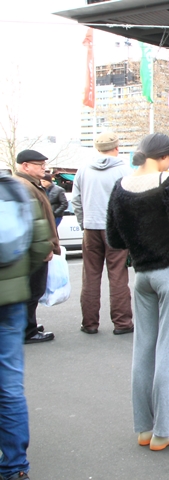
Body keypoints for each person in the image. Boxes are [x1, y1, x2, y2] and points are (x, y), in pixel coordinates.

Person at [106, 133, 169, 450]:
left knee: (143, 350)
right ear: (163, 157)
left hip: (143, 274)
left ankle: (144, 428)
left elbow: (116, 240)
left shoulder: (120, 188)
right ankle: (164, 430)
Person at [0, 173, 52, 480]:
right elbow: (38, 245)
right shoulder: (14, 191)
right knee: (9, 386)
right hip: (11, 303)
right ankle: (15, 465)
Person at [72, 131, 134, 335]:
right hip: (115, 229)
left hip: (91, 227)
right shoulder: (124, 170)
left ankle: (89, 323)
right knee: (118, 276)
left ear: (97, 149)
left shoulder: (83, 170)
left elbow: (77, 201)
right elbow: (130, 202)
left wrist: (84, 223)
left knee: (90, 275)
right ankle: (122, 322)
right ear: (116, 147)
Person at [14, 150, 60, 344]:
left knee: (31, 291)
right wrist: (45, 247)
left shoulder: (30, 184)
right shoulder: (25, 186)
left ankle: (27, 326)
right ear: (25, 166)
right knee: (33, 290)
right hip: (34, 250)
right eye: (39, 165)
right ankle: (28, 331)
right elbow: (33, 222)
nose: (44, 168)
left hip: (32, 248)